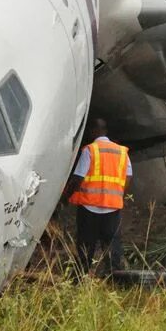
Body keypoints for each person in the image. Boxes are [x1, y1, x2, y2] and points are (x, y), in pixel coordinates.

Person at [61, 118, 131, 275]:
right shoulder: (121, 152)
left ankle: (80, 278)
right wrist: (118, 195)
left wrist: (64, 198)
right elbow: (128, 176)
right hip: (112, 207)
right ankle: (116, 279)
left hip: (89, 207)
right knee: (112, 246)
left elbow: (78, 178)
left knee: (86, 246)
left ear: (94, 130)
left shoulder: (90, 150)